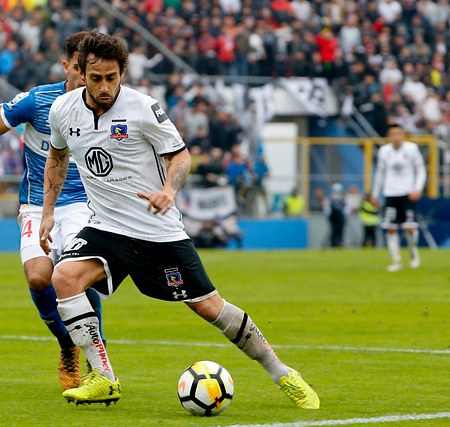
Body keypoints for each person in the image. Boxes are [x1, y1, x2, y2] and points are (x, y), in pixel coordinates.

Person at [40, 31, 319, 409]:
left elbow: (181, 156)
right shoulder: (63, 110)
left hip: (157, 232)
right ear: (80, 71)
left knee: (209, 307)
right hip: (104, 226)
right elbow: (57, 157)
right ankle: (104, 377)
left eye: (112, 77)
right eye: (95, 78)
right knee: (64, 277)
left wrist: (169, 192)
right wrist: (47, 213)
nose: (104, 87)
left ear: (123, 71)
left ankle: (282, 372)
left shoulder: (143, 108)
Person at [0, 32, 104, 391]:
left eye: (88, 72)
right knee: (39, 278)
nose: (82, 78)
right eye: (77, 69)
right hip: (36, 204)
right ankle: (67, 345)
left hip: (86, 206)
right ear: (67, 66)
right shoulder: (38, 100)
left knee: (77, 276)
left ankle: (96, 366)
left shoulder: (106, 104)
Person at [371, 124, 426, 272]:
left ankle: (413, 250)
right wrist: (375, 194)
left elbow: (421, 169)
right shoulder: (384, 151)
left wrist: (417, 188)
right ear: (389, 136)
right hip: (390, 193)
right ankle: (396, 261)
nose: (396, 137)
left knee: (409, 227)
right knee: (391, 228)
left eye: (398, 134)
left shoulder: (412, 149)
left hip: (407, 193)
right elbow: (380, 173)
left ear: (403, 134)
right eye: (393, 134)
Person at [323, 183, 346, 247]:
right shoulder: (330, 198)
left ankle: (339, 244)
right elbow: (327, 208)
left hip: (340, 217)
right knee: (333, 231)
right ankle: (333, 244)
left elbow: (347, 207)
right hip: (333, 218)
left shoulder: (343, 198)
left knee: (340, 231)